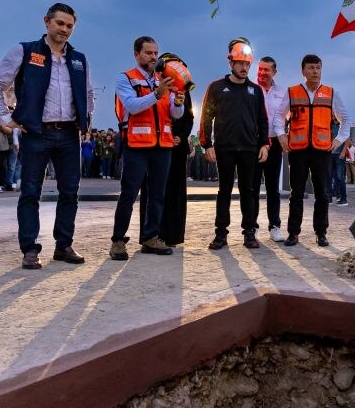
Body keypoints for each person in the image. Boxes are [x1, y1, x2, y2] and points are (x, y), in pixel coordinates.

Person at [0, 2, 96, 270]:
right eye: (60, 23)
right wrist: (6, 120)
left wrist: (86, 121)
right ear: (47, 21)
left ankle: (64, 245)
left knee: (70, 191)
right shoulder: (25, 51)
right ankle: (30, 249)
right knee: (31, 192)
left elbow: (89, 93)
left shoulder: (79, 59)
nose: (65, 29)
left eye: (70, 26)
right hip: (36, 133)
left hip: (69, 133)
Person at [108, 37, 183, 259]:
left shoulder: (165, 79)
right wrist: (158, 93)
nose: (153, 58)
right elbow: (132, 105)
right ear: (136, 54)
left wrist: (178, 102)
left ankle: (151, 237)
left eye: (155, 53)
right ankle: (118, 241)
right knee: (129, 194)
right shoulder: (126, 78)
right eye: (148, 53)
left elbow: (175, 114)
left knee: (157, 195)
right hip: (137, 145)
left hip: (162, 145)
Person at [200, 37, 270, 250]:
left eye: (247, 64)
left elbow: (262, 120)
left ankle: (249, 233)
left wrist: (264, 144)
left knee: (249, 191)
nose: (244, 67)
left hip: (249, 149)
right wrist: (207, 144)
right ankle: (221, 234)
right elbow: (206, 117)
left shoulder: (255, 91)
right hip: (225, 148)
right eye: (240, 63)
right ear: (230, 63)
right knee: (225, 190)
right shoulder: (217, 87)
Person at [279, 54, 351, 247]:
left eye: (318, 68)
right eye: (310, 68)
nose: (315, 71)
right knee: (296, 193)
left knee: (323, 194)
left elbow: (346, 119)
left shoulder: (330, 93)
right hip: (298, 150)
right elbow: (279, 116)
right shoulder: (292, 92)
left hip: (322, 151)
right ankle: (293, 233)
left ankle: (321, 232)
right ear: (303, 71)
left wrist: (337, 141)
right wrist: (281, 135)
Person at [157, 54, 195, 247]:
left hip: (178, 148)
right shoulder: (156, 88)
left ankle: (174, 235)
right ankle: (154, 234)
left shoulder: (184, 92)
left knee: (176, 191)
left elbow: (189, 118)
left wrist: (180, 136)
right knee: (156, 191)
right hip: (157, 145)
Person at [253, 56, 289, 242]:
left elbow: (283, 117)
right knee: (252, 187)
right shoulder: (250, 88)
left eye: (267, 70)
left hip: (274, 144)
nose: (262, 73)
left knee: (272, 187)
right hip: (254, 144)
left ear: (274, 72)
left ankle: (275, 226)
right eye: (260, 69)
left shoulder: (283, 93)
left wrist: (282, 135)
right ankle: (251, 227)